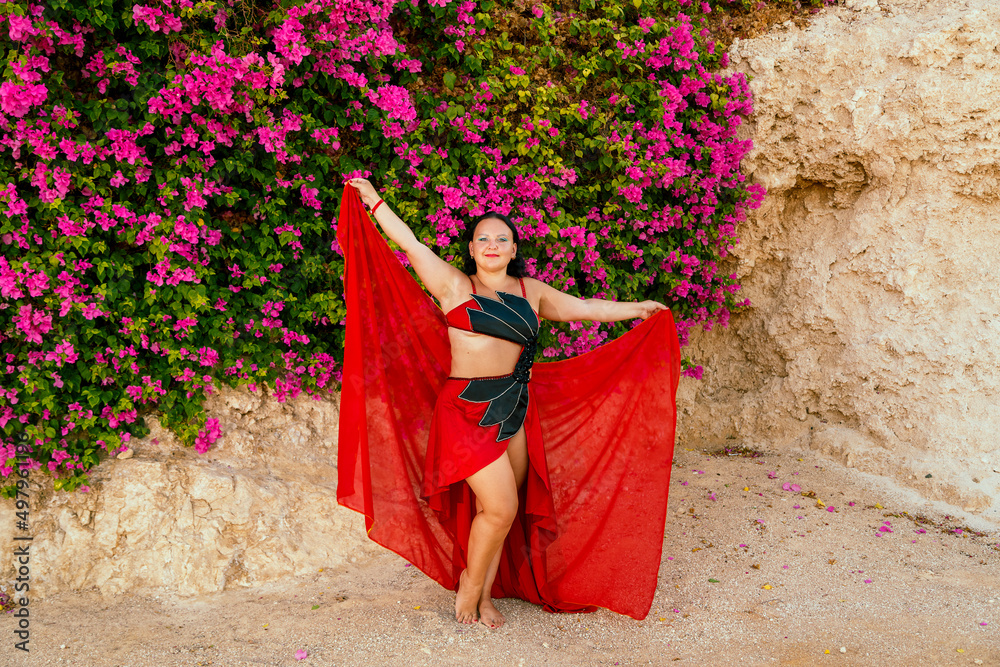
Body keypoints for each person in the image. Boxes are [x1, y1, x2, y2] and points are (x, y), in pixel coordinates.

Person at [338, 178, 681, 629]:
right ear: (471, 248)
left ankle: (484, 594)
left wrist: (637, 309)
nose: (492, 244)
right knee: (500, 507)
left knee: (503, 511)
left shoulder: (530, 292)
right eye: (483, 238)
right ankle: (470, 585)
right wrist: (373, 200)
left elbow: (585, 307)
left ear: (514, 247)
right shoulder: (455, 287)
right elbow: (411, 244)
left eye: (501, 238)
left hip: (514, 410)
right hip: (465, 410)